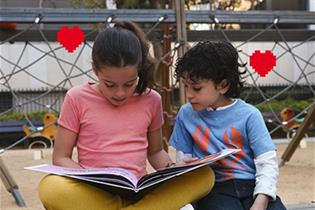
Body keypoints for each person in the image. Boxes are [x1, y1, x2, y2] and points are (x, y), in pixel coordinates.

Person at [38, 21, 214, 210]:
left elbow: (155, 152)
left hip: (138, 191)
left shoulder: (151, 99)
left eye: (129, 84)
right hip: (93, 193)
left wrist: (175, 168)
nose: (120, 93)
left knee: (204, 176)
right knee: (50, 188)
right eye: (110, 85)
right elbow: (61, 157)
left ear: (138, 70)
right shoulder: (76, 98)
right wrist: (88, 177)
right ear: (95, 70)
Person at [169, 40, 287, 210]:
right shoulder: (186, 115)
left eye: (196, 88)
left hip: (253, 186)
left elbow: (267, 163)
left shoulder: (249, 115)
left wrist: (261, 202)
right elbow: (183, 165)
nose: (188, 95)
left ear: (223, 85)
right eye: (185, 86)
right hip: (215, 189)